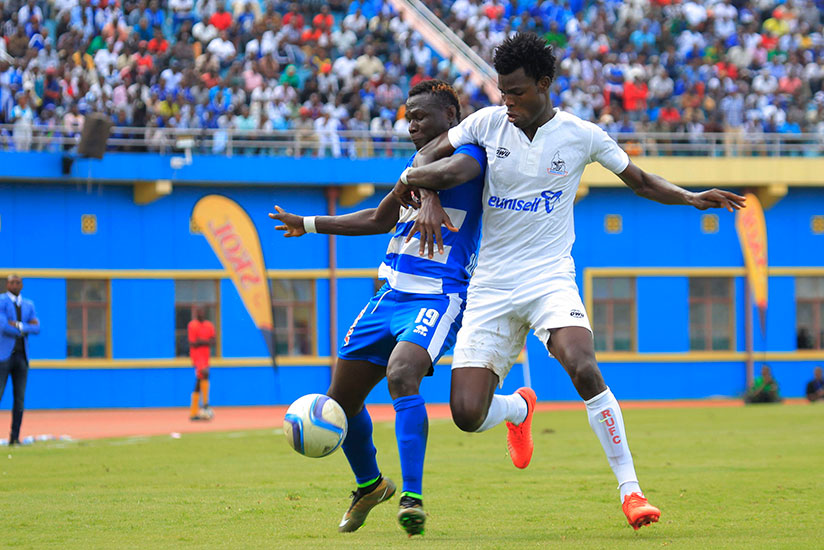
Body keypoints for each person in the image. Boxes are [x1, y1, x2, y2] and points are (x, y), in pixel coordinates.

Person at [394, 33, 747, 530]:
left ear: (544, 84)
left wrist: (689, 197)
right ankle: (518, 409)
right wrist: (427, 193)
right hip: (491, 284)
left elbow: (641, 181)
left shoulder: (582, 135)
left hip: (548, 277)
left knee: (581, 365)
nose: (506, 101)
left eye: (516, 92)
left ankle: (632, 493)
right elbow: (427, 154)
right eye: (501, 91)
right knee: (466, 414)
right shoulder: (487, 123)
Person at [269, 80, 486, 537]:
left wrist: (422, 186)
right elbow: (379, 218)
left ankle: (412, 497)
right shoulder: (414, 163)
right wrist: (307, 224)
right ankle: (370, 485)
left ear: (451, 115)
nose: (411, 127)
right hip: (388, 296)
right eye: (408, 118)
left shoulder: (475, 155)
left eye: (421, 117)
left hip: (438, 294)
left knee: (402, 373)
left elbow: (446, 174)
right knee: (340, 402)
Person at [0, 275, 40, 445]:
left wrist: (18, 325)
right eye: (11, 282)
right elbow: (3, 326)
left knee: (19, 399)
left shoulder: (28, 304)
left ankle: (14, 437)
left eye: (17, 282)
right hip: (4, 356)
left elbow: (37, 327)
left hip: (22, 357)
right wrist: (24, 327)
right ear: (7, 284)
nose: (14, 285)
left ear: (21, 285)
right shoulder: (1, 302)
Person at [188, 307, 216, 420]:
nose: (200, 313)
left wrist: (201, 341)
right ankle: (205, 404)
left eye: (202, 311)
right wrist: (206, 341)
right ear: (195, 313)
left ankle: (194, 412)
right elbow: (193, 343)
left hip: (205, 356)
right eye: (198, 311)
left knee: (199, 381)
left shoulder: (209, 325)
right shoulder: (192, 325)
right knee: (205, 373)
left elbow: (213, 341)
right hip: (197, 356)